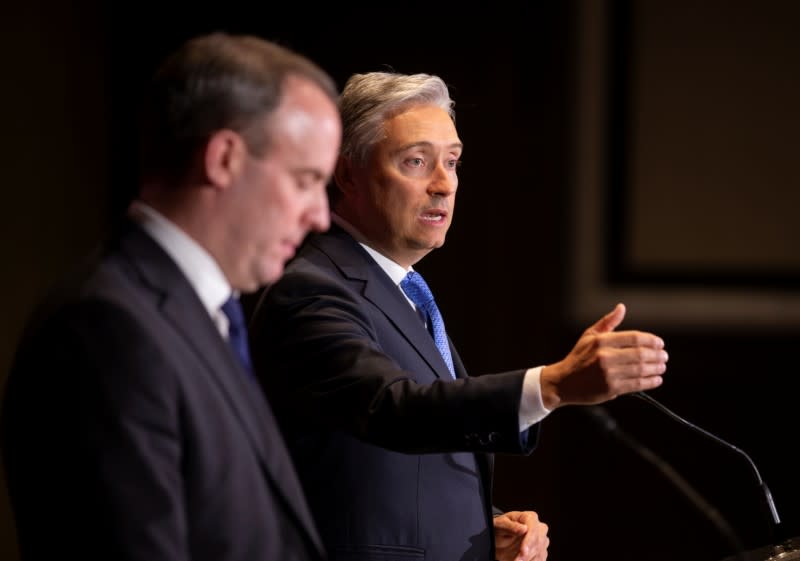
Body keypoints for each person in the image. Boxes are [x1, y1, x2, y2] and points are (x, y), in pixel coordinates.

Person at [247, 71, 669, 561]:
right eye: (416, 161)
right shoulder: (312, 288)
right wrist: (550, 385)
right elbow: (391, 408)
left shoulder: (405, 291)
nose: (444, 185)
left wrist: (483, 529)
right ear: (346, 174)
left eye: (452, 161)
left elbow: (381, 472)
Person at [1, 32, 341, 561]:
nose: (320, 215)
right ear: (225, 158)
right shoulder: (106, 330)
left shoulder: (204, 317)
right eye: (306, 180)